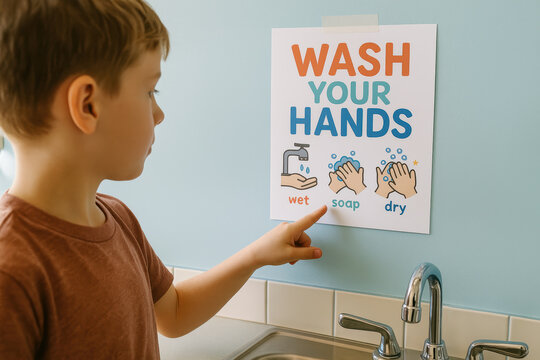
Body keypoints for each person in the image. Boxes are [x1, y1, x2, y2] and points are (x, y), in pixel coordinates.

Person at [0, 1, 327, 358]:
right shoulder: (12, 270)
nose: (159, 114)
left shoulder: (117, 218)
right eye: (149, 92)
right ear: (87, 105)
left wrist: (254, 256)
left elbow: (173, 313)